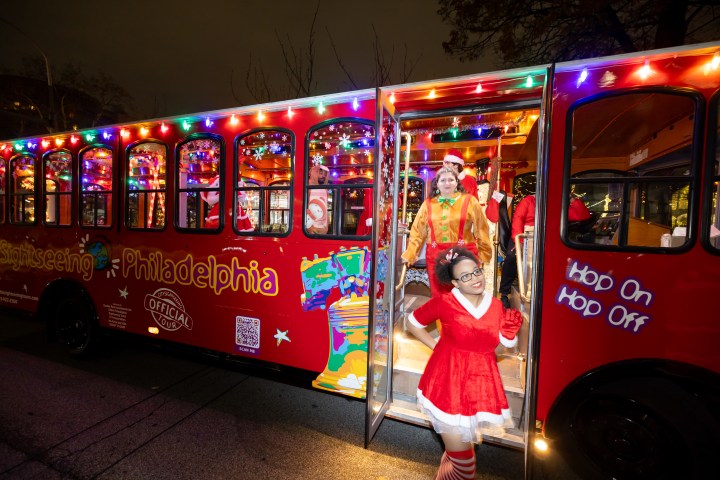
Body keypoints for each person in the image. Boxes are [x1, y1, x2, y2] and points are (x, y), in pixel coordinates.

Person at [406, 246, 523, 480]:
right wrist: (436, 347)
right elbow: (412, 322)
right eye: (465, 276)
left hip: (480, 385)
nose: (475, 279)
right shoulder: (445, 302)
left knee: (459, 456)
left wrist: (508, 337)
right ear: (455, 283)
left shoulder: (496, 306)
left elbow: (496, 348)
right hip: (447, 384)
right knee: (465, 466)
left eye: (477, 271)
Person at [401, 166, 492, 298]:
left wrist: (484, 252)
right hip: (436, 257)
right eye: (443, 180)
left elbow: (482, 229)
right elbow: (418, 232)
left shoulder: (470, 201)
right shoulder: (427, 204)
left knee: (464, 296)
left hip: (464, 256)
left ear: (457, 183)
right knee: (440, 298)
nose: (447, 183)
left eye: (451, 180)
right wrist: (410, 253)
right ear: (437, 184)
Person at [307, 161, 330, 234]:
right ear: (315, 173)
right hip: (311, 228)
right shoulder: (307, 186)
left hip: (323, 228)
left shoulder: (325, 188)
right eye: (320, 173)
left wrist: (327, 224)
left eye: (325, 174)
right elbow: (302, 207)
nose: (323, 176)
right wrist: (308, 226)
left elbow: (325, 207)